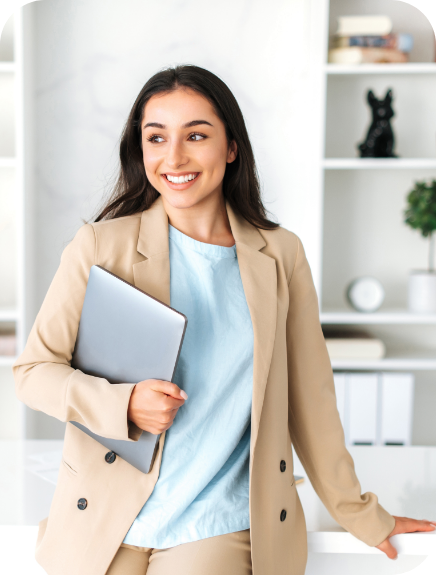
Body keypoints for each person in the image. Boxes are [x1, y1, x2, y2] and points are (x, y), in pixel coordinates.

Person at [12, 64, 435, 575]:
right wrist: (123, 403)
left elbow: (312, 399)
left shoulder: (279, 256)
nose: (175, 157)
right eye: (156, 137)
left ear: (231, 147)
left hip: (214, 522)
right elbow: (34, 373)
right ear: (140, 150)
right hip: (104, 513)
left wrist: (363, 515)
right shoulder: (101, 247)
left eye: (196, 135)